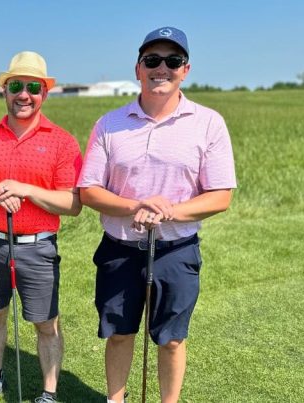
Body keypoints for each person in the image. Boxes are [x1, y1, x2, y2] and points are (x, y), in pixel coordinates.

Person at [78, 27, 237, 403]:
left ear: (185, 69)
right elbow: (89, 190)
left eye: (172, 60)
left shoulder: (208, 122)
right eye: (152, 60)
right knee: (119, 333)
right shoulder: (109, 123)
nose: (161, 68)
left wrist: (169, 212)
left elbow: (220, 196)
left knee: (171, 339)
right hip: (120, 249)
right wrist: (137, 206)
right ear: (138, 69)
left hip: (176, 250)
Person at [0, 51, 83, 403]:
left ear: (45, 92)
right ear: (5, 90)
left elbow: (73, 204)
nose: (24, 95)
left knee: (46, 322)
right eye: (16, 86)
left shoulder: (62, 142)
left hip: (38, 246)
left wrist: (25, 189)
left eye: (33, 87)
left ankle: (49, 393)